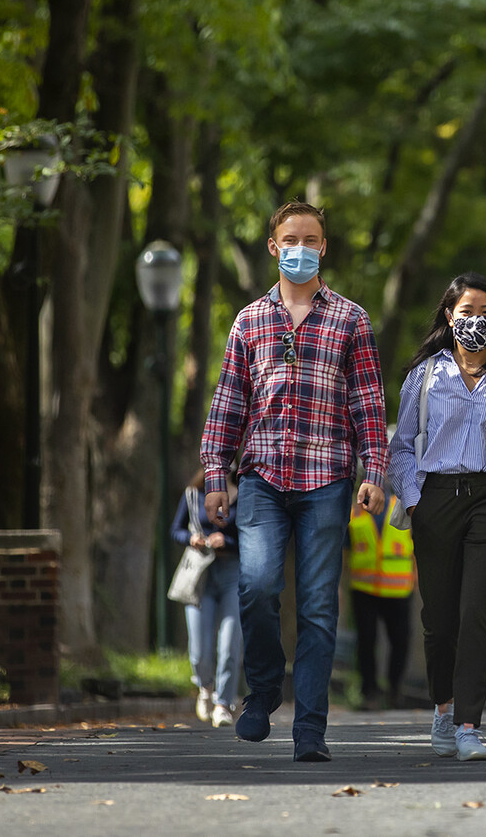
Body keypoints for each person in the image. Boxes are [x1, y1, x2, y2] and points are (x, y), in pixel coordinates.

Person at [200, 200, 391, 763]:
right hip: (261, 477)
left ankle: (310, 727)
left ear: (324, 247)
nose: (301, 248)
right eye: (291, 239)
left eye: (311, 239)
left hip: (327, 479)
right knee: (257, 588)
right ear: (273, 247)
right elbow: (229, 401)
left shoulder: (350, 318)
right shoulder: (249, 320)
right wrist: (216, 476)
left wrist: (372, 472)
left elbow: (367, 402)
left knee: (316, 607)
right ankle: (261, 693)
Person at [387, 273, 486, 762]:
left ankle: (469, 725)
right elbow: (399, 450)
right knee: (439, 619)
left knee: (478, 611)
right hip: (436, 498)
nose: (477, 321)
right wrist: (415, 501)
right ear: (448, 317)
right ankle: (443, 707)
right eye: (467, 312)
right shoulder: (425, 376)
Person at [170, 470, 241, 729]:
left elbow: (256, 538)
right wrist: (191, 539)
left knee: (230, 643)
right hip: (200, 575)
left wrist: (228, 541)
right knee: (199, 650)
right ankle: (205, 688)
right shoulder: (193, 494)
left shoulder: (245, 494)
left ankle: (223, 704)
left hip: (233, 573)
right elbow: (175, 530)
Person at [346, 487, 416, 710]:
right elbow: (346, 549)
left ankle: (395, 688)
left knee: (401, 641)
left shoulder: (404, 505)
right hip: (363, 586)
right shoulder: (355, 511)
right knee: (366, 641)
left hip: (398, 587)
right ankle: (370, 692)